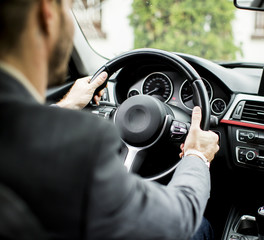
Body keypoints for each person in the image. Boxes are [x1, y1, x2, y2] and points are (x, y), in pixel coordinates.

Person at [0, 0, 219, 240]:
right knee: (201, 227)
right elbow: (178, 222)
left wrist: (68, 105)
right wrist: (197, 155)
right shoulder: (83, 143)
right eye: (69, 7)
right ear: (47, 14)